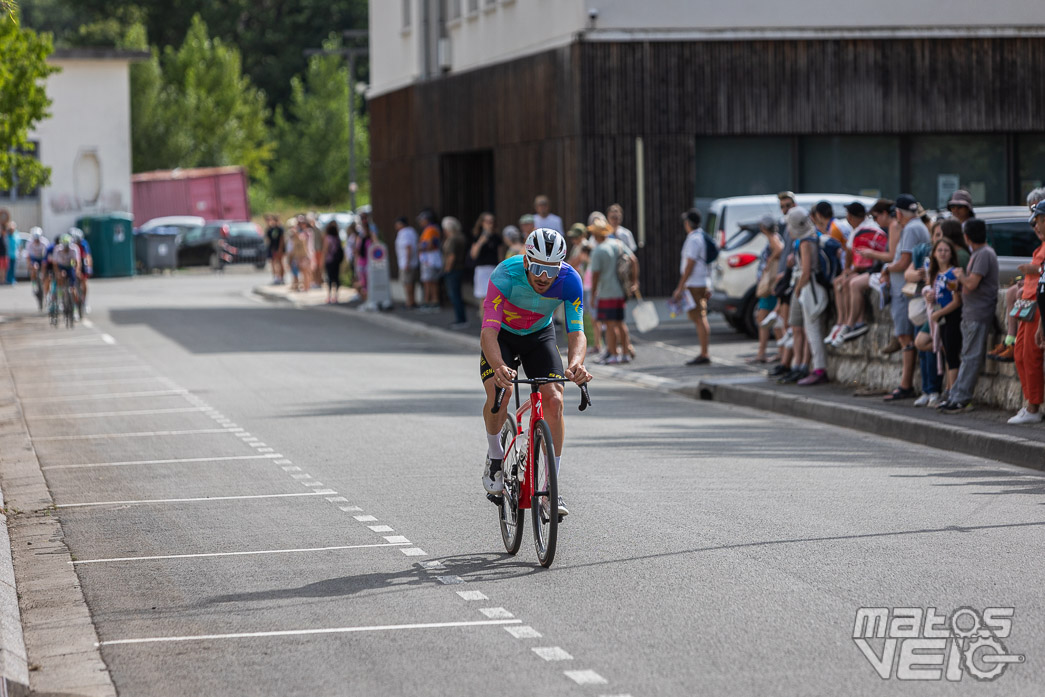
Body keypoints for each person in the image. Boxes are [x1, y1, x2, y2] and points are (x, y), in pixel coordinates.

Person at [479, 228, 591, 517]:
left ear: (561, 267)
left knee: (554, 399)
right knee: (499, 395)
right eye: (538, 267)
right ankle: (494, 457)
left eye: (551, 270)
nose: (544, 277)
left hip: (539, 335)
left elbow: (577, 332)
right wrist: (498, 366)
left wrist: (576, 363)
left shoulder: (569, 281)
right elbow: (488, 332)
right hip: (502, 336)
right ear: (527, 261)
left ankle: (551, 488)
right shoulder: (505, 274)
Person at [939, 219, 999, 413]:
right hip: (971, 312)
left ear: (967, 237)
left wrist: (959, 276)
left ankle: (961, 398)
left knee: (970, 357)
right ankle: (955, 394)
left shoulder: (983, 254)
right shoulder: (979, 253)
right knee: (966, 355)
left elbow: (972, 283)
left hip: (978, 313)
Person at [882, 194, 932, 402]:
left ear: (899, 213)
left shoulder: (911, 228)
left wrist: (886, 268)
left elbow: (904, 262)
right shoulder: (918, 225)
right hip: (909, 290)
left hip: (906, 291)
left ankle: (906, 384)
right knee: (909, 338)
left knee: (905, 338)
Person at [1007, 200, 1045, 423]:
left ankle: (1033, 407)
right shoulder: (1040, 247)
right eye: (1035, 223)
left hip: (1038, 306)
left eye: (1040, 221)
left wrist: (1037, 269)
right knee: (1020, 353)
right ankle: (1029, 402)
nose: (1036, 227)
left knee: (1031, 356)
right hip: (1028, 304)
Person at [589, 218, 638, 364]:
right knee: (620, 323)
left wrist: (592, 295)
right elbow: (634, 260)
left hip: (606, 292)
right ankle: (625, 353)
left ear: (597, 235)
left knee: (609, 325)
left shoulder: (598, 250)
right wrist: (634, 281)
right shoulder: (618, 243)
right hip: (620, 290)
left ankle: (613, 354)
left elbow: (595, 275)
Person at [925, 238, 963, 406]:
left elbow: (957, 301)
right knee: (946, 352)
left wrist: (939, 313)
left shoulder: (953, 273)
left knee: (952, 354)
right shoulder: (935, 275)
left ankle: (952, 391)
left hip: (952, 317)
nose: (942, 253)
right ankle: (949, 388)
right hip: (941, 319)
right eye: (939, 250)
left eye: (946, 250)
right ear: (934, 253)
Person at [672, 209, 712, 365]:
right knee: (700, 317)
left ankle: (704, 353)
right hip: (700, 282)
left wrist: (680, 287)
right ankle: (704, 352)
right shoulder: (699, 236)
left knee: (699, 318)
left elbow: (690, 264)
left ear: (688, 223)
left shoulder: (694, 239)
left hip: (695, 283)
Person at [752, 215, 784, 363]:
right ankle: (779, 352)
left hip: (771, 286)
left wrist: (769, 262)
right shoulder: (774, 236)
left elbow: (779, 249)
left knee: (763, 318)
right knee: (772, 320)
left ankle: (763, 353)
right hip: (772, 285)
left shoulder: (773, 238)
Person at [442, 216, 469, 328]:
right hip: (459, 267)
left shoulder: (453, 239)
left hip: (453, 269)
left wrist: (447, 269)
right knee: (456, 293)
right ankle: (461, 318)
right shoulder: (461, 237)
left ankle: (460, 319)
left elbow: (451, 256)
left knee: (454, 294)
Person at [470, 212, 501, 304]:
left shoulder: (496, 237)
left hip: (494, 268)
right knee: (483, 298)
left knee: (494, 297)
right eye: (487, 221)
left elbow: (500, 255)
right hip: (482, 269)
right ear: (482, 223)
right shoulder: (477, 236)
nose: (489, 224)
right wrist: (481, 241)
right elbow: (473, 255)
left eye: (491, 221)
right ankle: (483, 318)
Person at [417, 210, 443, 312]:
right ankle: (432, 301)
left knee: (429, 281)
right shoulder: (434, 228)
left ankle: (430, 302)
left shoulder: (430, 229)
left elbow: (429, 245)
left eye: (421, 220)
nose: (420, 222)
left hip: (429, 258)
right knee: (431, 281)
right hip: (431, 258)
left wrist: (420, 247)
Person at [394, 216, 420, 309]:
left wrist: (407, 262)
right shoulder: (412, 231)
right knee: (411, 282)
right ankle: (412, 300)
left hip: (406, 262)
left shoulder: (404, 233)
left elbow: (408, 247)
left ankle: (409, 301)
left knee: (407, 283)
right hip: (412, 261)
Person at [25, 227, 48, 310]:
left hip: (42, 258)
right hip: (34, 258)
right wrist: (29, 265)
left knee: (45, 269)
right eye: (35, 239)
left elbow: (47, 255)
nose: (36, 241)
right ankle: (34, 283)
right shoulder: (29, 243)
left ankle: (43, 281)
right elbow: (28, 256)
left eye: (38, 239)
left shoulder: (44, 242)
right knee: (34, 268)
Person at [322, 221, 344, 304]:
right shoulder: (337, 238)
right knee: (336, 278)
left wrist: (322, 262)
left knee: (330, 278)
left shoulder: (328, 238)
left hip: (329, 260)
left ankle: (330, 296)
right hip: (337, 261)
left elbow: (325, 251)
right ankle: (336, 296)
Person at [264, 215, 285, 285]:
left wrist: (280, 249)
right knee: (273, 263)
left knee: (280, 262)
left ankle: (281, 278)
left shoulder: (280, 229)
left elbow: (282, 240)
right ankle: (276, 277)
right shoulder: (271, 229)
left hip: (279, 248)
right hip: (273, 248)